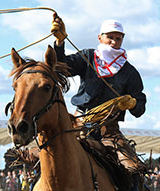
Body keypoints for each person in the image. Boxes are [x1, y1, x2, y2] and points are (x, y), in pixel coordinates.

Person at [51, 14, 147, 175]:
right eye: (110, 37)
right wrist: (60, 43)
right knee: (49, 153)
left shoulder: (130, 71)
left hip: (109, 129)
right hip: (78, 122)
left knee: (132, 168)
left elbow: (141, 108)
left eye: (118, 38)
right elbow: (62, 67)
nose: (114, 42)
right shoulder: (88, 56)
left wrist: (133, 104)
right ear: (99, 37)